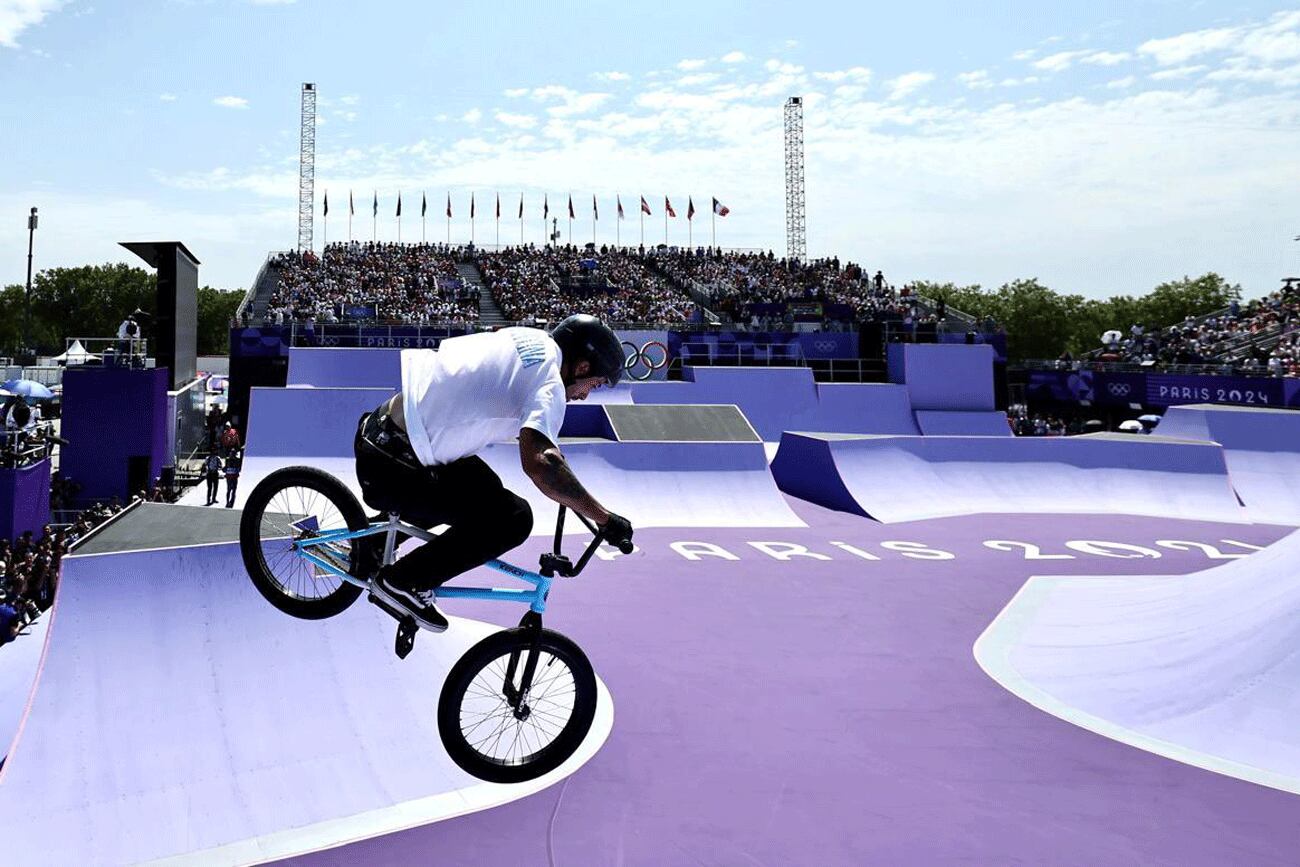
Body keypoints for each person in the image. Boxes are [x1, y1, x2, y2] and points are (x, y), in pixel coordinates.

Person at [354, 314, 634, 631]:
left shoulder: (529, 339)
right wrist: (604, 519)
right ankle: (402, 581)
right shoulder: (550, 384)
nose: (585, 395)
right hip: (393, 468)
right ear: (582, 366)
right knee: (512, 518)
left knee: (484, 487)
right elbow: (540, 466)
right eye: (594, 385)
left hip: (380, 435)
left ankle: (374, 540)